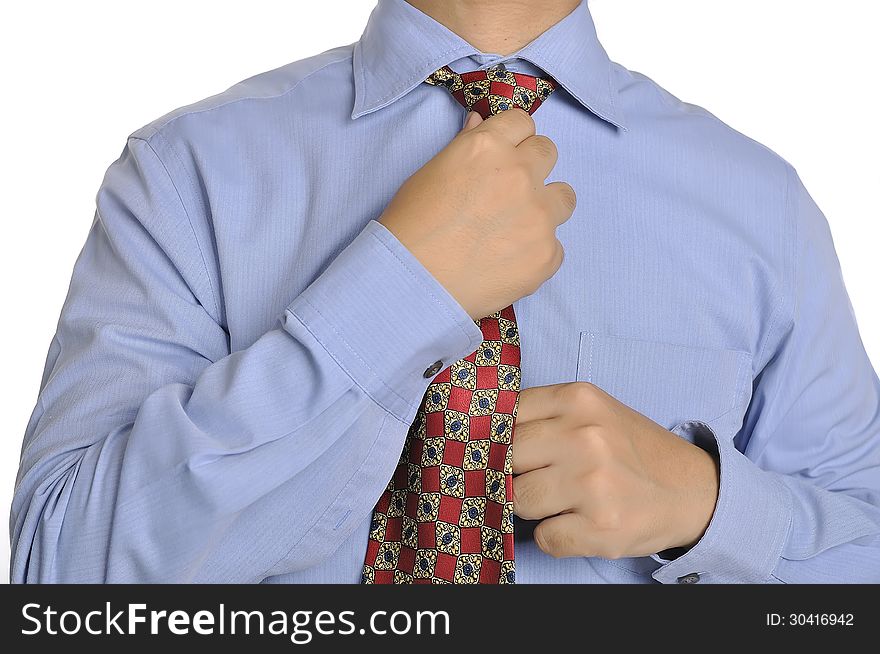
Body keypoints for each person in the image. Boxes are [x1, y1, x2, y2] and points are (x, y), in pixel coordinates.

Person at [10, 0, 880, 584]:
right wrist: (395, 290)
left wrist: (709, 506)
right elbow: (58, 578)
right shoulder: (185, 176)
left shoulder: (760, 204)